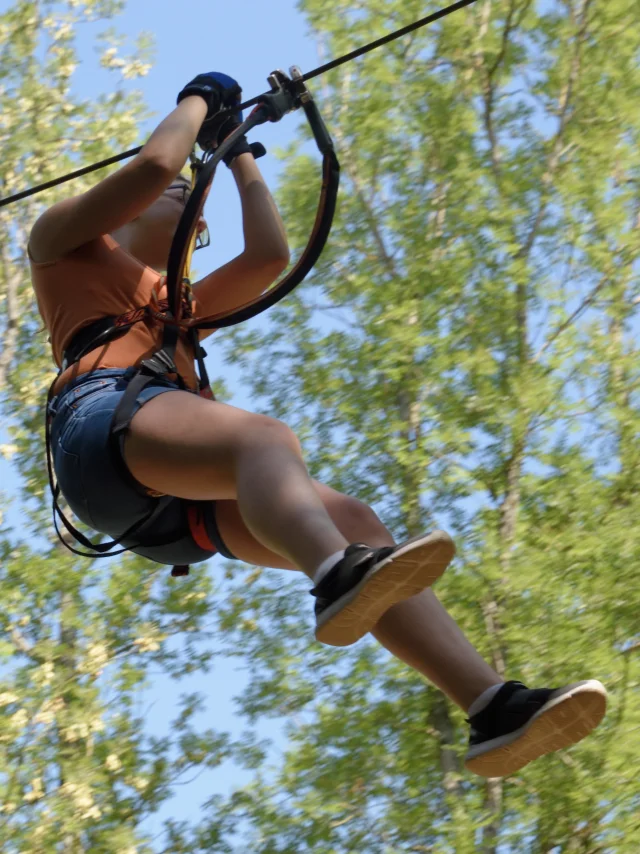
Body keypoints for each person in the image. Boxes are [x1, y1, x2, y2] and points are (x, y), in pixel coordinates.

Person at [29, 71, 606, 778]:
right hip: (100, 428)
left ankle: (491, 708)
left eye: (197, 216)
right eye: (185, 200)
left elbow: (269, 256)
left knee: (359, 522)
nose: (193, 216)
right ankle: (335, 576)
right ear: (122, 214)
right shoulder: (58, 241)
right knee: (265, 442)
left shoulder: (176, 299)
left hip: (167, 500)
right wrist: (201, 103)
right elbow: (154, 166)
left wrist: (235, 154)